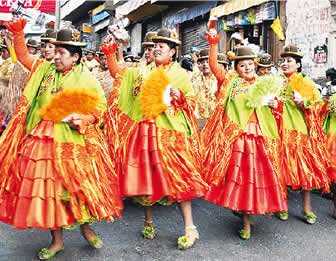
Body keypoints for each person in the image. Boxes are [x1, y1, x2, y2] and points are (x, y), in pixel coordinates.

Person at [0, 18, 123, 259]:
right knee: (50, 193)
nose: (56, 56)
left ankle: (86, 229)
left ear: (75, 57)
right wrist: (18, 35)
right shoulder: (45, 70)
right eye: (55, 52)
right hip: (43, 139)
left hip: (74, 143)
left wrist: (83, 119)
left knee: (76, 190)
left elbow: (99, 108)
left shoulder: (86, 78)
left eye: (62, 52)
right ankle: (56, 241)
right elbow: (25, 59)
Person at [101, 28, 208, 249]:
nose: (156, 49)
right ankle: (148, 221)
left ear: (172, 52)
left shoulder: (180, 74)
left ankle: (190, 227)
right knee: (145, 177)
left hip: (171, 135)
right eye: (154, 46)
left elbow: (192, 104)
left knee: (180, 178)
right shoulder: (141, 71)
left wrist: (180, 99)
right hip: (145, 131)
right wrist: (111, 52)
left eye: (162, 46)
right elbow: (118, 74)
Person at [202, 28, 287, 240]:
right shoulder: (231, 82)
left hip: (261, 136)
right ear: (236, 68)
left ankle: (251, 209)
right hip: (238, 137)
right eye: (242, 64)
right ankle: (245, 220)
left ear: (255, 66)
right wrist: (213, 44)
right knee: (241, 177)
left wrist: (274, 104)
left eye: (250, 64)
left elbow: (278, 110)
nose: (247, 67)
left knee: (258, 177)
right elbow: (214, 67)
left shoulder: (264, 83)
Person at [277, 45, 330, 223]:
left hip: (300, 132)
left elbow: (318, 106)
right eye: (283, 61)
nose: (285, 64)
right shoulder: (277, 83)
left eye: (289, 61)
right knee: (281, 170)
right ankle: (282, 206)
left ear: (298, 65)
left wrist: (303, 102)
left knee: (305, 172)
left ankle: (307, 208)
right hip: (279, 132)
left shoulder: (306, 83)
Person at [192, 48, 218, 131]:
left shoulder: (218, 80)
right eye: (202, 62)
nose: (205, 64)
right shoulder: (196, 81)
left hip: (215, 120)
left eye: (207, 62)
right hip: (199, 119)